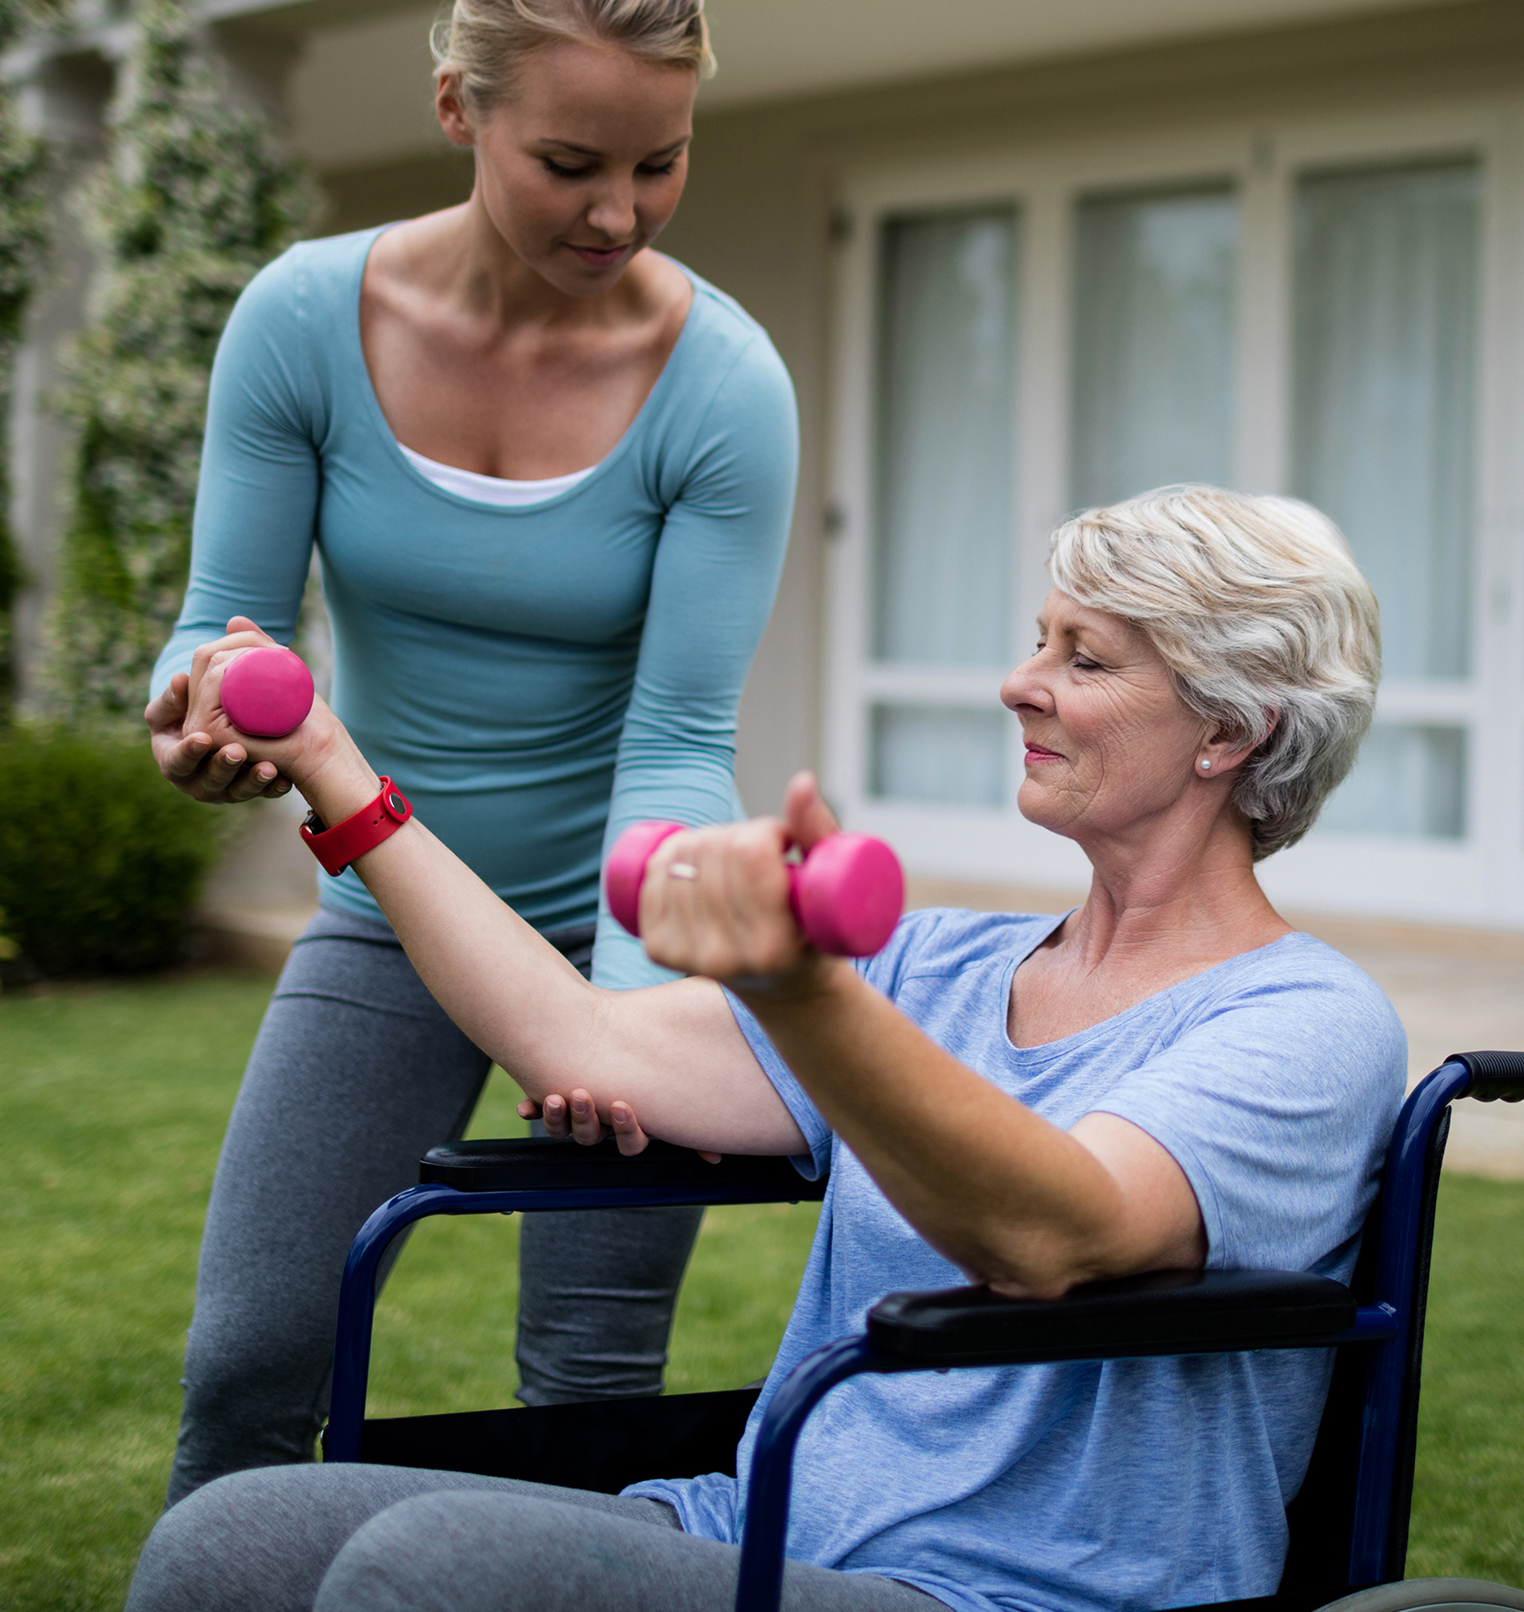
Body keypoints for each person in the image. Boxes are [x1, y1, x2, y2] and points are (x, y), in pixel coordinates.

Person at [129, 485, 1408, 1612]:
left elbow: (1055, 1232)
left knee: (430, 1573)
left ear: (1227, 732)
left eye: (1086, 659)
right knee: (231, 1539)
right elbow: (579, 1036)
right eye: (1037, 642)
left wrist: (797, 986)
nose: (1021, 683)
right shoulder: (933, 966)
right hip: (756, 1531)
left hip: (1016, 1592)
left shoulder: (1302, 1022)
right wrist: (338, 770)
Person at [141, 0, 796, 1508]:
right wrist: (198, 711)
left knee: (582, 1389)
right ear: (457, 112)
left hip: (629, 920)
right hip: (391, 901)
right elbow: (208, 635)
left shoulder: (724, 389)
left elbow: (678, 743)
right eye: (569, 164)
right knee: (247, 1358)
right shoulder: (301, 325)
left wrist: (621, 1022)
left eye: (661, 160)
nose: (621, 212)